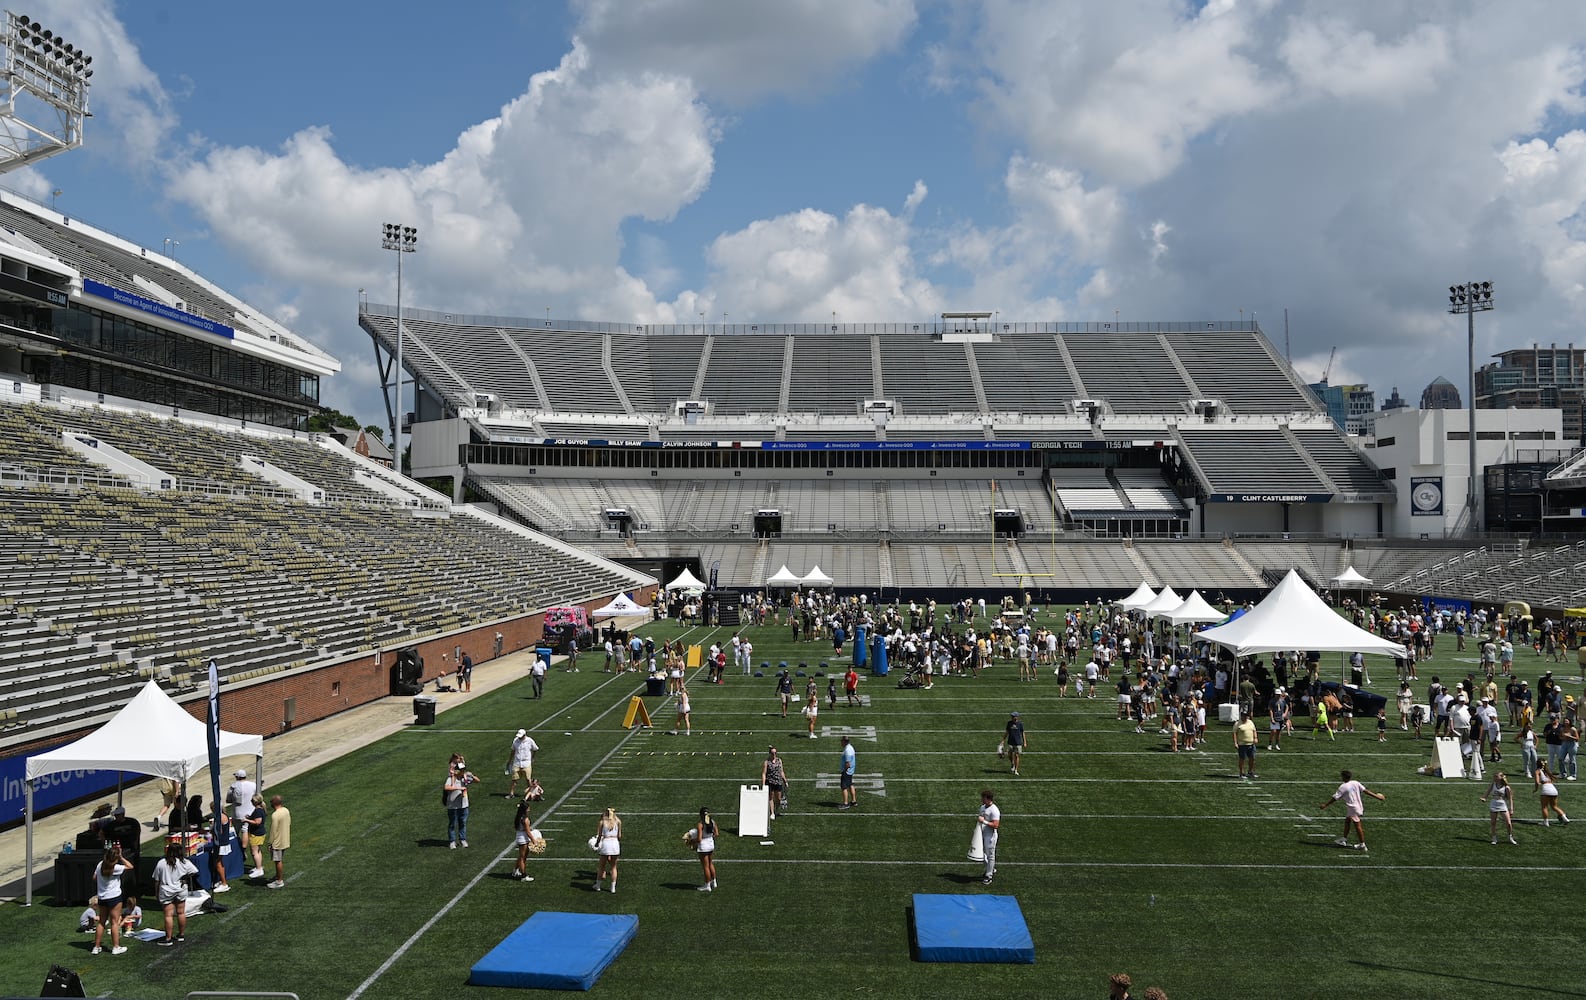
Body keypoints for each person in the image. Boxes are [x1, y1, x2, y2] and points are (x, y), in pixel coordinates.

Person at [1318, 769, 1385, 852]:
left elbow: (1335, 798)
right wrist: (1377, 797)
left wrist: (1325, 805)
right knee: (1347, 821)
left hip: (1353, 808)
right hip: (1358, 806)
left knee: (1357, 826)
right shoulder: (1355, 783)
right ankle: (1344, 839)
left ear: (1344, 777)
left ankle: (1362, 845)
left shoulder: (1343, 787)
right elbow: (1366, 791)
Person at [151, 841, 197, 946]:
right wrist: (184, 878)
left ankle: (168, 938)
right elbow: (195, 871)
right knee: (181, 912)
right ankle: (181, 935)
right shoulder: (184, 862)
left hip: (166, 890)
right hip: (181, 889)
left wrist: (156, 893)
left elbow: (157, 880)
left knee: (168, 915)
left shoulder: (161, 863)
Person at [91, 844, 132, 955]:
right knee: (114, 923)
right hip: (114, 897)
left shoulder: (100, 864)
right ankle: (116, 947)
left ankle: (96, 947)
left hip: (102, 897)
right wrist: (121, 857)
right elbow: (130, 866)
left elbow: (94, 877)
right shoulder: (116, 868)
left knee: (101, 922)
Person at [445, 758, 476, 848]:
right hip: (453, 806)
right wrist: (459, 788)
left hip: (463, 805)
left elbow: (477, 780)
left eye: (464, 770)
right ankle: (452, 841)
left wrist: (472, 776)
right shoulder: (451, 778)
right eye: (461, 770)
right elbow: (446, 787)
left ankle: (462, 839)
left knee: (462, 822)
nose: (463, 771)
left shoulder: (465, 778)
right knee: (452, 823)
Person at [592, 806, 623, 893]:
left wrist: (597, 844)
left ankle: (598, 886)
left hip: (606, 843)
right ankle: (613, 888)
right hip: (615, 844)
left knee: (602, 866)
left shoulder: (602, 822)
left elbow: (599, 836)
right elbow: (619, 836)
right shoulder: (618, 822)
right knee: (613, 867)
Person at [1481, 771, 1517, 845]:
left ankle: (1510, 837)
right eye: (1494, 776)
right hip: (1494, 803)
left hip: (1502, 804)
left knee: (1508, 823)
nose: (1494, 778)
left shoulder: (1506, 787)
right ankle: (1494, 838)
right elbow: (1488, 791)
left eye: (1496, 777)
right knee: (1493, 823)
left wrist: (1511, 809)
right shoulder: (1493, 784)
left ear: (1501, 777)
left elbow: (1510, 798)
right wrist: (1484, 797)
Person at [510, 792, 537, 882]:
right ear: (525, 809)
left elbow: (516, 827)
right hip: (523, 839)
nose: (529, 809)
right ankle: (524, 876)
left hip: (519, 836)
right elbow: (528, 832)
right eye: (528, 808)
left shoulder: (518, 817)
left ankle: (515, 871)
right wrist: (534, 840)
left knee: (521, 856)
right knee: (523, 858)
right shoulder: (525, 819)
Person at [266, 794, 291, 889]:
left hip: (277, 842)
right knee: (279, 860)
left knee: (278, 861)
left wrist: (270, 843)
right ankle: (277, 877)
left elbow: (273, 831)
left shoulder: (275, 815)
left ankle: (279, 881)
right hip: (285, 839)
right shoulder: (286, 810)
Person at [505, 729, 540, 798]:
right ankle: (511, 793)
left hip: (526, 763)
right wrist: (510, 760)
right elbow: (513, 750)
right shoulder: (515, 741)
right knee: (514, 779)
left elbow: (535, 749)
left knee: (528, 779)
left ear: (524, 735)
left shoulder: (530, 741)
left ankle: (530, 794)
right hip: (517, 762)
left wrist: (532, 758)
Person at [977, 789, 1000, 885]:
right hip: (982, 833)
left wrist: (984, 822)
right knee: (981, 854)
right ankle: (990, 868)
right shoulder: (982, 807)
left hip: (990, 836)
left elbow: (996, 825)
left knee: (990, 855)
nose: (982, 800)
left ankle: (989, 875)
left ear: (988, 799)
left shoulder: (994, 810)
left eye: (983, 798)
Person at [691, 806, 718, 892]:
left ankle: (707, 885)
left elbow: (699, 839)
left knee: (705, 867)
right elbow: (716, 834)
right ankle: (714, 882)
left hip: (704, 846)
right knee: (710, 864)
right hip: (711, 844)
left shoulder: (700, 824)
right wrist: (710, 837)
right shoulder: (712, 822)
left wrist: (691, 841)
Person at [244, 793, 267, 878]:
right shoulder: (260, 809)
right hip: (259, 833)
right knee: (257, 851)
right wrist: (250, 817)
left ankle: (259, 869)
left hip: (256, 834)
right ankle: (259, 867)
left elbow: (257, 822)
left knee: (254, 852)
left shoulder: (258, 811)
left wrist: (246, 820)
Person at [762, 746, 788, 819]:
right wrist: (763, 784)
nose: (774, 754)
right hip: (770, 781)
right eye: (773, 753)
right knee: (771, 797)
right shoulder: (766, 762)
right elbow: (764, 773)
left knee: (778, 798)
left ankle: (776, 810)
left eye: (775, 753)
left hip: (778, 781)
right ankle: (772, 812)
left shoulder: (779, 760)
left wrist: (785, 781)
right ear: (770, 753)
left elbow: (781, 771)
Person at [1234, 711, 1258, 779]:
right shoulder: (1237, 723)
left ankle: (1250, 772)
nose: (1245, 717)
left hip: (1251, 744)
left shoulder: (1250, 722)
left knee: (1252, 758)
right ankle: (1241, 773)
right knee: (1242, 759)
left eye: (1246, 716)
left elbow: (1254, 730)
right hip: (1242, 744)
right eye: (1244, 716)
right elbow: (1234, 733)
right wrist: (1235, 743)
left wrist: (1255, 737)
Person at [839, 735, 858, 809]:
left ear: (844, 742)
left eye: (841, 741)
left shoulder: (847, 750)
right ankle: (854, 801)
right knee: (850, 784)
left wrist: (844, 771)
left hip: (847, 771)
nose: (841, 742)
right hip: (850, 771)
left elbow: (848, 763)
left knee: (844, 787)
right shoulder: (849, 747)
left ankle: (845, 803)